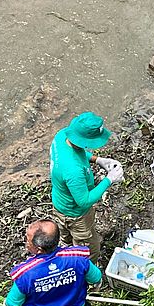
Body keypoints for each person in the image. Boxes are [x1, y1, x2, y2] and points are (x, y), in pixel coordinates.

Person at [50, 112, 123, 263]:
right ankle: (87, 273)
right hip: (76, 214)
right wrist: (109, 179)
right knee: (88, 249)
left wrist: (97, 160)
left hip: (60, 203)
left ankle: (67, 247)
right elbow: (84, 201)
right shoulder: (73, 170)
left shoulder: (61, 136)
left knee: (65, 236)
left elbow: (77, 150)